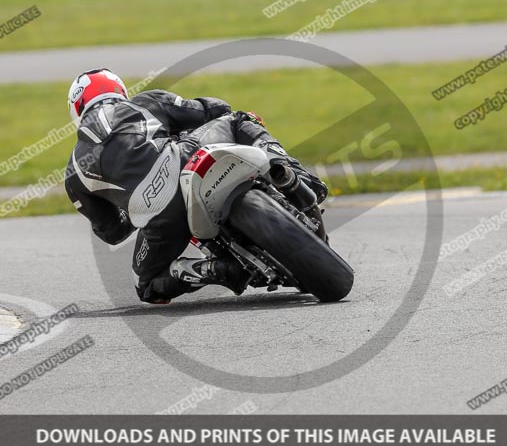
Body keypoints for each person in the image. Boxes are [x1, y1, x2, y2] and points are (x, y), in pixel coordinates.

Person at [64, 68, 328, 305]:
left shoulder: (73, 172)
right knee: (238, 119)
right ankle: (291, 175)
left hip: (159, 217)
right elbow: (217, 109)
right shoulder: (145, 102)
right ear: (120, 91)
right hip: (183, 162)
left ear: (77, 109)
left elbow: (113, 233)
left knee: (146, 286)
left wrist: (135, 200)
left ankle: (215, 269)